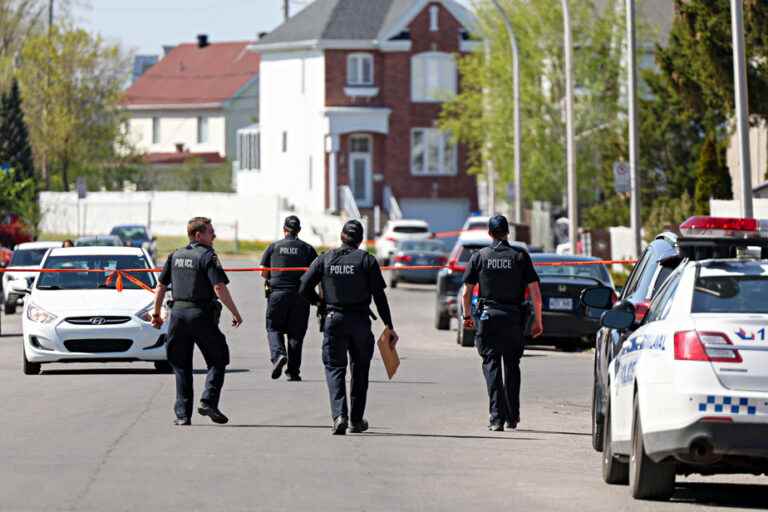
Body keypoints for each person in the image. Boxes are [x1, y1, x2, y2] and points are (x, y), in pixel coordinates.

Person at [299, 220, 399, 435]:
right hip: (360, 322)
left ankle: (339, 415)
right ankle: (355, 419)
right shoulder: (367, 261)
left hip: (333, 319)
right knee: (360, 370)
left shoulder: (325, 258)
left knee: (335, 368)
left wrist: (319, 303)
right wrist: (389, 326)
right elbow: (379, 297)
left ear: (342, 236)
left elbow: (303, 286)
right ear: (361, 240)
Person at [151, 217, 243, 426]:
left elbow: (161, 287)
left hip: (177, 315)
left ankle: (183, 415)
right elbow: (218, 288)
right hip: (200, 314)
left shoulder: (175, 255)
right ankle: (208, 401)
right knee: (219, 359)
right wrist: (235, 313)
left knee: (181, 365)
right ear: (198, 235)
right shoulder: (207, 256)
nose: (215, 236)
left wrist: (157, 315)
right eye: (211, 232)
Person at [462, 214, 543, 432]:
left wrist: (467, 316)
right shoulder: (520, 256)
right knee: (512, 366)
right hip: (513, 318)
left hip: (488, 319)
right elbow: (535, 289)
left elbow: (466, 293)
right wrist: (538, 319)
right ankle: (513, 416)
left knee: (492, 365)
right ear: (508, 233)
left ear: (489, 233)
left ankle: (496, 417)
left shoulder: (479, 256)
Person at [260, 215, 318, 381]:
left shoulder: (273, 247)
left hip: (277, 295)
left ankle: (278, 355)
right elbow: (316, 275)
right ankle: (293, 371)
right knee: (296, 334)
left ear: (284, 230)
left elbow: (263, 273)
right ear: (299, 230)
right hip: (301, 296)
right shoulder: (308, 249)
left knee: (273, 328)